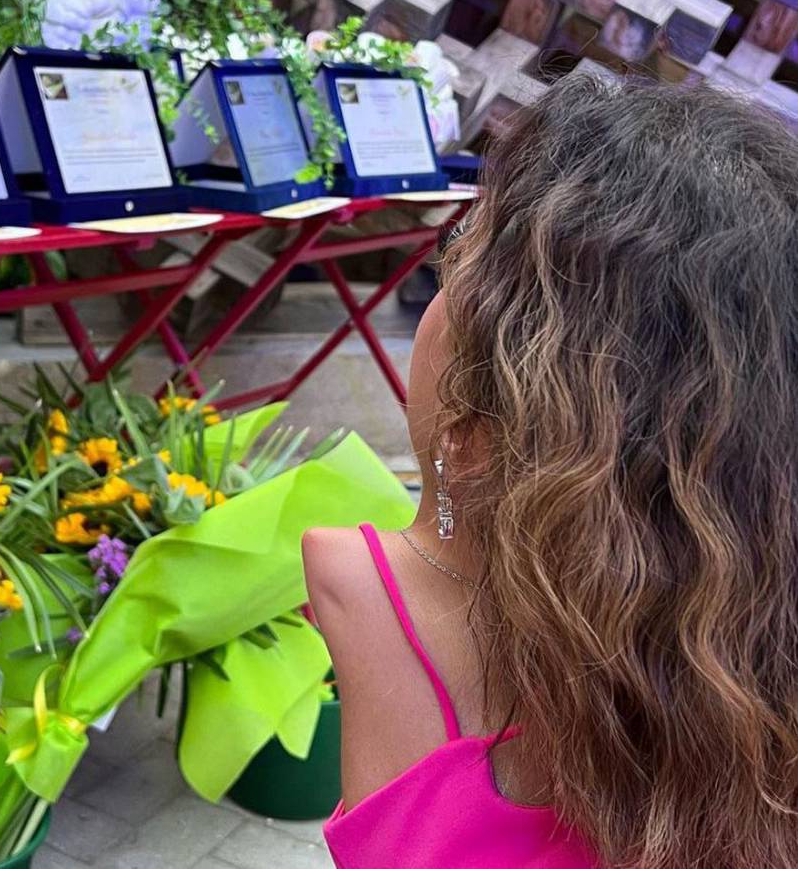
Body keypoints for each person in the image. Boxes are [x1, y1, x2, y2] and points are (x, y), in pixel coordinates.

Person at [304, 75, 798, 869]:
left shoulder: (372, 584)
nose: (441, 288)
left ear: (526, 384)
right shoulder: (751, 654)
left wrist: (444, 498)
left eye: (462, 258)